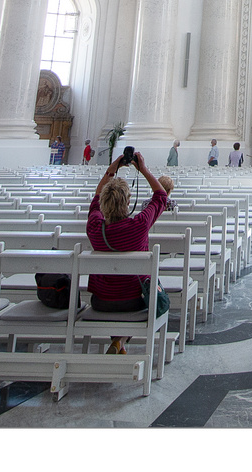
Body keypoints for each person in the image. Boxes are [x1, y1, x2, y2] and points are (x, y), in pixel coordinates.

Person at [87, 150, 170, 354]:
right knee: (146, 293)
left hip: (100, 301)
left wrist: (112, 169)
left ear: (103, 203)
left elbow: (96, 197)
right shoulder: (138, 225)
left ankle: (119, 341)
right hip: (134, 299)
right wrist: (143, 169)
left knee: (115, 293)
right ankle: (121, 340)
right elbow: (161, 196)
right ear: (127, 202)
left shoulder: (95, 228)